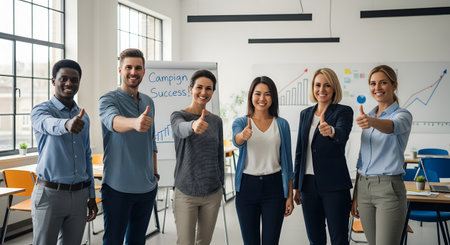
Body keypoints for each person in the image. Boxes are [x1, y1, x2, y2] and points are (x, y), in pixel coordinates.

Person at [30, 59, 98, 245]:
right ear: (54, 81)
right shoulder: (41, 111)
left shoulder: (83, 117)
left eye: (74, 80)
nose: (69, 83)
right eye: (64, 79)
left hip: (79, 195)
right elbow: (47, 124)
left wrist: (91, 194)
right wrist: (66, 124)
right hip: (49, 195)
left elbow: (86, 156)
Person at [99, 48, 159, 245]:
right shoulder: (108, 99)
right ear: (120, 70)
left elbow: (152, 140)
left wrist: (155, 173)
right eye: (129, 67)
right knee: (113, 241)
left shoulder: (148, 101)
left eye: (138, 67)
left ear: (143, 71)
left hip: (146, 188)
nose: (133, 72)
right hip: (118, 188)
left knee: (137, 241)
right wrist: (134, 123)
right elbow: (112, 121)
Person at [351, 65, 413, 245]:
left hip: (389, 189)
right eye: (373, 83)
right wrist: (356, 194)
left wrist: (372, 122)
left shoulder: (403, 115)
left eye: (383, 82)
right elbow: (362, 159)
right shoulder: (369, 114)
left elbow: (391, 127)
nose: (377, 88)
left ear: (394, 85)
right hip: (363, 187)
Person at [293, 68, 353, 245]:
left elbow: (342, 134)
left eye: (327, 85)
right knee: (315, 238)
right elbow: (300, 151)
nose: (322, 89)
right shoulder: (305, 114)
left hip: (334, 186)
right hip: (308, 186)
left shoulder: (343, 111)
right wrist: (297, 185)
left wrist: (331, 131)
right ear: (312, 87)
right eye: (318, 85)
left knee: (339, 238)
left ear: (334, 88)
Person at [232, 76, 294, 245]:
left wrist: (289, 195)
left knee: (271, 242)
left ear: (272, 97)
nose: (262, 99)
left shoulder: (282, 124)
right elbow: (236, 139)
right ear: (251, 96)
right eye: (257, 93)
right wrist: (242, 136)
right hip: (247, 187)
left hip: (274, 187)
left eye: (267, 94)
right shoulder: (241, 122)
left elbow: (287, 161)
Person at [170, 70, 224, 245]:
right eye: (199, 87)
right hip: (186, 192)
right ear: (190, 88)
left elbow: (218, 154)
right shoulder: (179, 116)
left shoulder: (216, 121)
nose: (203, 92)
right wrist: (193, 125)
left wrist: (221, 185)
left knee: (204, 242)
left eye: (208, 88)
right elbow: (180, 128)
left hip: (212, 192)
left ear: (212, 92)